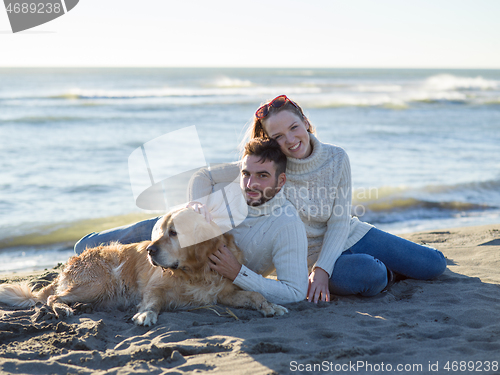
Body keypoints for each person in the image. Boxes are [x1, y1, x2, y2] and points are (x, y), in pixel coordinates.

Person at [189, 95, 447, 304]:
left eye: (294, 128)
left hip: (349, 233)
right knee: (372, 275)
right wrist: (197, 205)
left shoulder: (336, 158)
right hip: (309, 256)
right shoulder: (270, 170)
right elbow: (204, 176)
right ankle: (390, 271)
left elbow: (339, 221)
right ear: (269, 141)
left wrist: (323, 271)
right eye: (278, 137)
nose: (290, 140)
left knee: (434, 265)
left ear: (305, 122)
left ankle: (394, 262)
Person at [74, 138, 309, 304]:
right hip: (168, 229)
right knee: (86, 246)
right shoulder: (233, 192)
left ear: (281, 182)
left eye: (263, 176)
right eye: (246, 174)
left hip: (173, 246)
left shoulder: (287, 226)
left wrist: (238, 273)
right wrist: (196, 204)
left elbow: (296, 293)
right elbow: (202, 175)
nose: (250, 184)